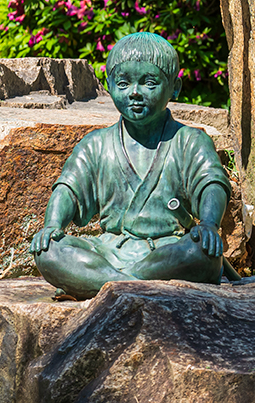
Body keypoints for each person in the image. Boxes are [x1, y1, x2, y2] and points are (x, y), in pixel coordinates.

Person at [29, 32, 230, 298]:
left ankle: (106, 284)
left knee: (201, 252)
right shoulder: (95, 145)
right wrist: (53, 225)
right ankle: (132, 284)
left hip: (165, 252)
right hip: (107, 252)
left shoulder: (189, 141)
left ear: (175, 87)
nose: (134, 93)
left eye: (149, 83)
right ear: (109, 85)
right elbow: (68, 189)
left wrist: (208, 224)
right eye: (123, 83)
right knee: (48, 252)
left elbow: (211, 183)